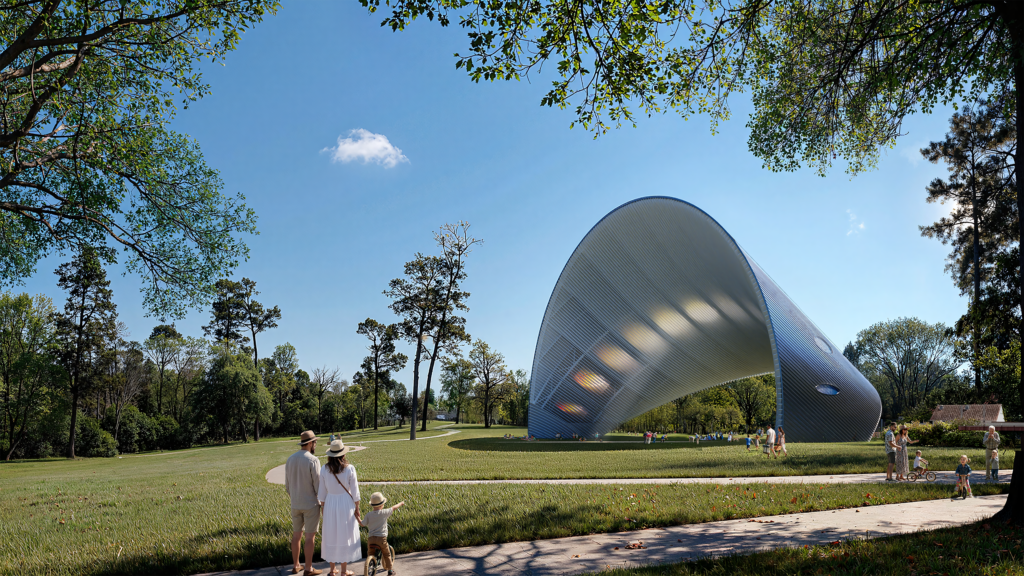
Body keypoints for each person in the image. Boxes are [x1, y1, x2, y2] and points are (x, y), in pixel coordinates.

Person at [318, 439, 362, 576]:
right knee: (345, 534)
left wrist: (323, 507)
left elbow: (322, 492)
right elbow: (355, 493)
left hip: (330, 503)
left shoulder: (324, 469)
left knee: (331, 534)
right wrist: (357, 508)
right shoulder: (349, 468)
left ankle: (332, 570)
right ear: (343, 454)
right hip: (345, 503)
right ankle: (343, 571)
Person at [285, 430, 323, 576]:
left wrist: (295, 496)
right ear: (310, 443)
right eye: (315, 442)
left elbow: (287, 485)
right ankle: (308, 568)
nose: (316, 444)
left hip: (295, 503)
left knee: (296, 535)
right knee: (309, 536)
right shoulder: (313, 460)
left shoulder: (290, 459)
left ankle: (296, 566)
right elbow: (318, 485)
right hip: (311, 504)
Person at [362, 492, 405, 576]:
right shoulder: (384, 513)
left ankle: (371, 563)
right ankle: (390, 571)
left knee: (370, 553)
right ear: (382, 505)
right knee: (387, 554)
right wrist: (401, 503)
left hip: (371, 539)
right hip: (381, 539)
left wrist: (357, 517)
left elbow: (362, 524)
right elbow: (393, 508)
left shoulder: (368, 515)